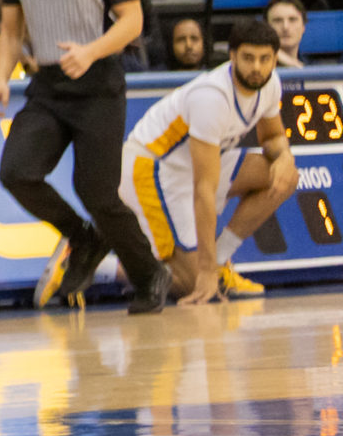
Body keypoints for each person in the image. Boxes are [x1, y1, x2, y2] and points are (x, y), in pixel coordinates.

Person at [0, 0, 168, 315]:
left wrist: (90, 51)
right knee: (16, 171)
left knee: (97, 193)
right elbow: (11, 31)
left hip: (99, 84)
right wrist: (0, 78)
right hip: (48, 86)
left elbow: (132, 21)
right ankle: (83, 238)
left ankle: (149, 274)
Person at [123, 18, 297, 303]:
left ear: (275, 59)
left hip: (193, 165)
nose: (257, 67)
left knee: (284, 176)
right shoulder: (212, 98)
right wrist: (204, 271)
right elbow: (204, 189)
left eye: (265, 59)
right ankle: (100, 264)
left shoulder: (270, 84)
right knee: (192, 284)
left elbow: (273, 137)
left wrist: (285, 157)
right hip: (152, 167)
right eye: (248, 58)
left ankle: (219, 263)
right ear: (232, 56)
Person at [265, 0, 310, 68]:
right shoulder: (255, 70)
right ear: (266, 28)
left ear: (303, 27)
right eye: (277, 20)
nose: (285, 27)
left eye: (292, 19)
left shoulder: (317, 68)